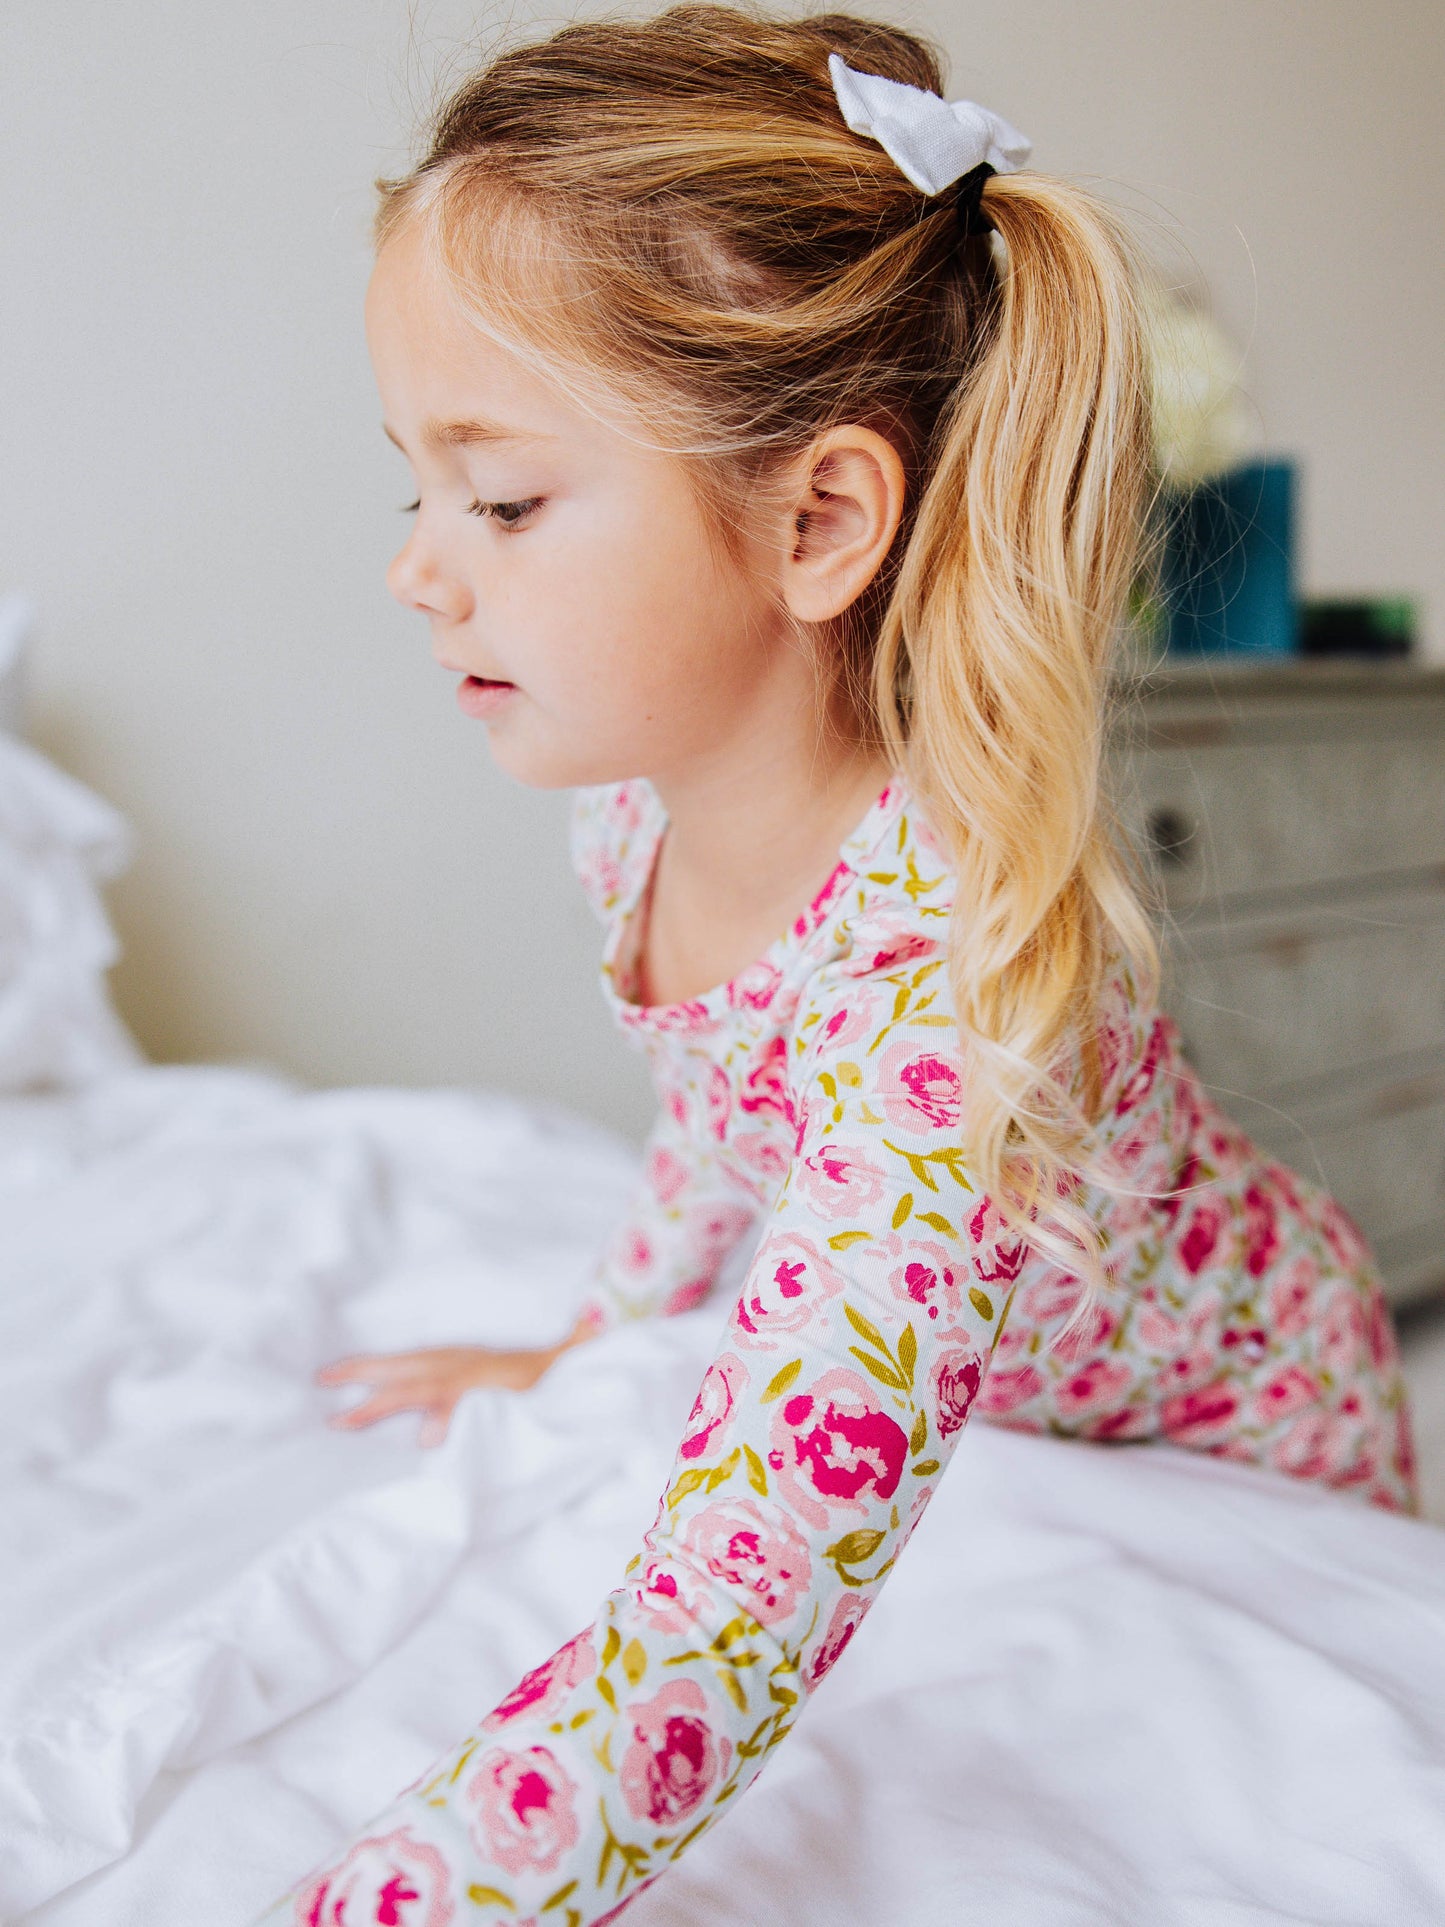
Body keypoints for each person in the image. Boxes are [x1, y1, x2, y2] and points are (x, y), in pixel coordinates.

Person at [257, 8, 1418, 1920]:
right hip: (1017, 1361)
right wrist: (595, 1338)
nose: (419, 566)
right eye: (416, 487)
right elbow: (722, 1123)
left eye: (506, 497)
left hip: (1239, 1403)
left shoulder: (939, 1027)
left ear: (816, 523)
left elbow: (726, 1618)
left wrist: (408, 1892)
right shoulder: (632, 817)